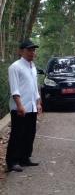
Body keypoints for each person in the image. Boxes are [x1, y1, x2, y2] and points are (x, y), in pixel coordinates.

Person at [6, 39, 42, 172]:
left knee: (29, 134)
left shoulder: (32, 67)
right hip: (20, 108)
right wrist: (20, 105)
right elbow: (14, 89)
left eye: (33, 50)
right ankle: (12, 162)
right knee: (17, 134)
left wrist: (38, 103)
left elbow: (34, 87)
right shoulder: (15, 67)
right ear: (21, 51)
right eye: (29, 50)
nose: (32, 52)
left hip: (32, 106)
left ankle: (25, 158)